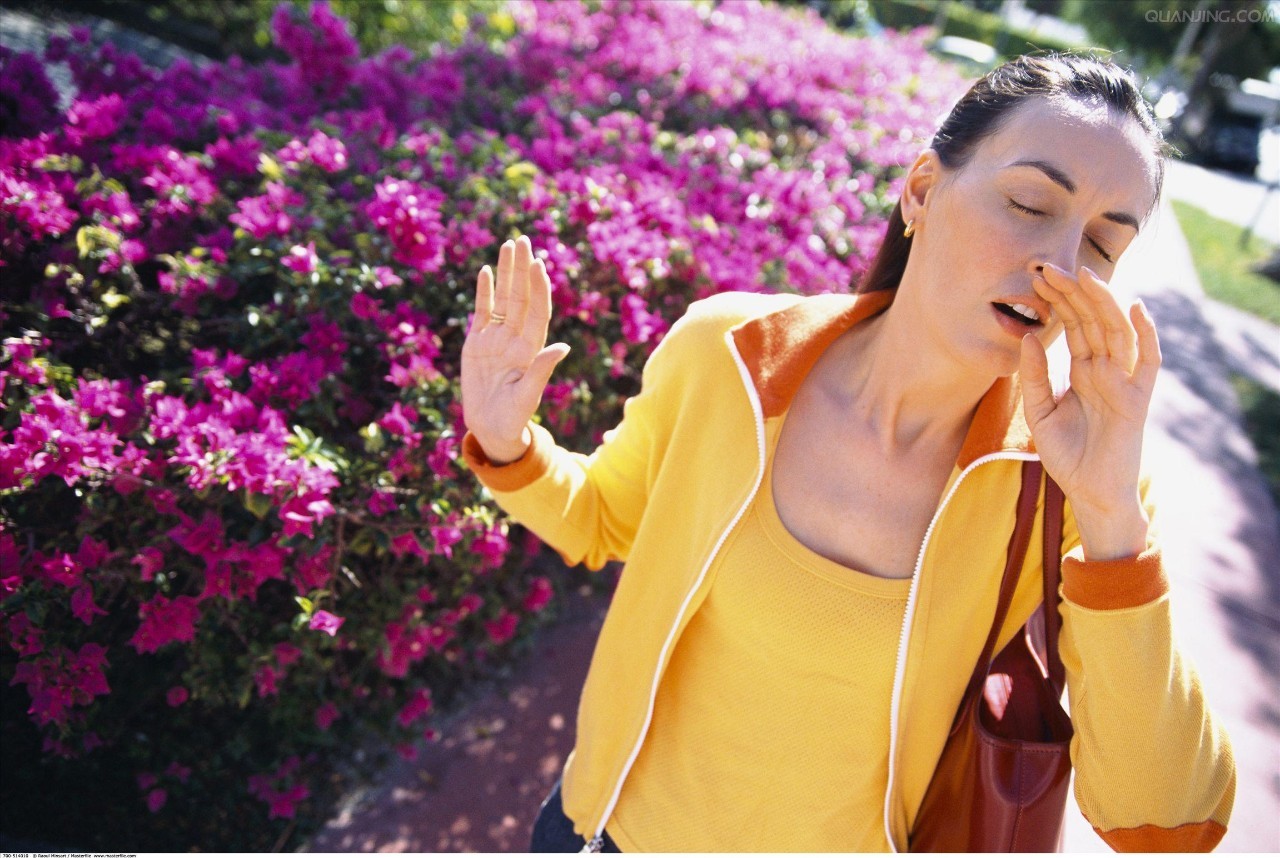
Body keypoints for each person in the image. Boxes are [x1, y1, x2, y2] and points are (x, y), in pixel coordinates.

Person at [458, 53, 1235, 852]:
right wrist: (506, 441)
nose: (1063, 267)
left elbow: (1168, 824)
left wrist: (1111, 515)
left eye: (1104, 245)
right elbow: (603, 520)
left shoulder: (1074, 482)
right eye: (1030, 203)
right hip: (603, 834)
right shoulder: (728, 353)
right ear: (923, 190)